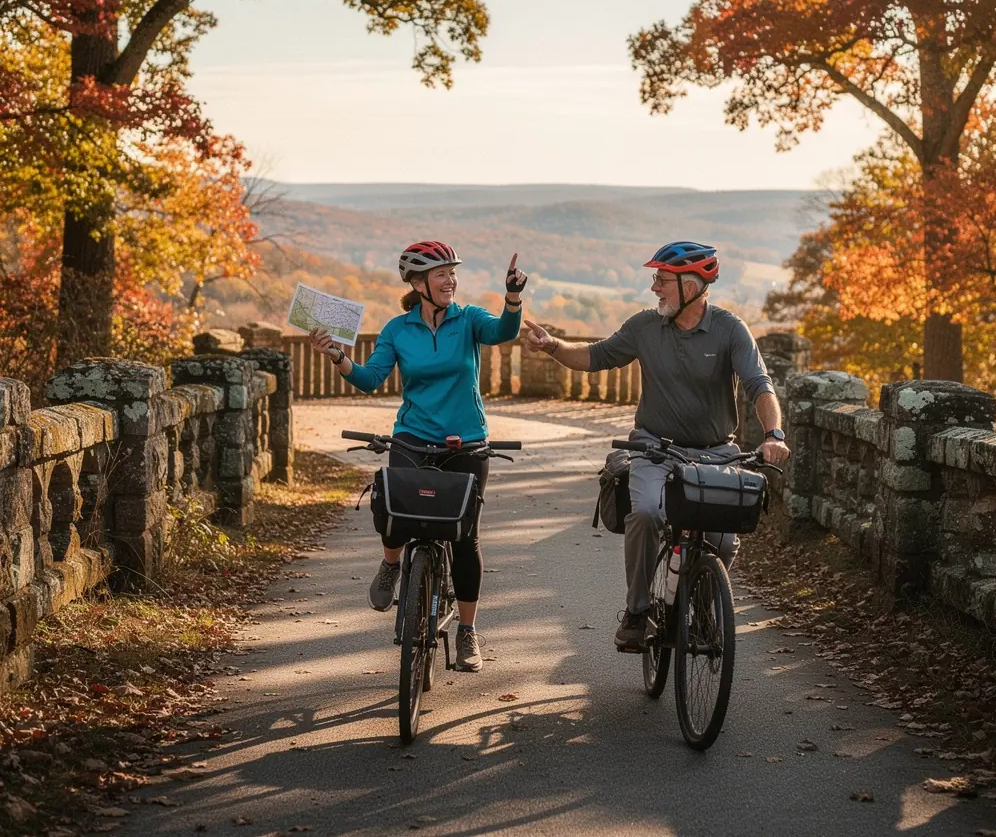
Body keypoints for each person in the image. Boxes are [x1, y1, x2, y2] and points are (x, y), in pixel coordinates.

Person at [522, 240, 790, 650]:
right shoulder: (645, 327)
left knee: (722, 540)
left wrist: (773, 434)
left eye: (662, 281)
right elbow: (596, 356)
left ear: (693, 284)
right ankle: (637, 611)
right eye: (656, 280)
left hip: (716, 451)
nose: (655, 288)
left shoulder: (730, 329)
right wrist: (553, 346)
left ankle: (701, 601)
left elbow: (760, 386)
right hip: (653, 448)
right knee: (646, 512)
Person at [310, 241, 527, 672]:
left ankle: (467, 632)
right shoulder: (397, 329)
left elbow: (505, 332)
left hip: (466, 441)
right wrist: (338, 356)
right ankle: (392, 566)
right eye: (441, 273)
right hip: (412, 437)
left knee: (465, 538)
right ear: (417, 282)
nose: (451, 280)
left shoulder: (469, 320)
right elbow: (371, 378)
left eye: (452, 272)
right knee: (395, 512)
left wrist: (513, 298)